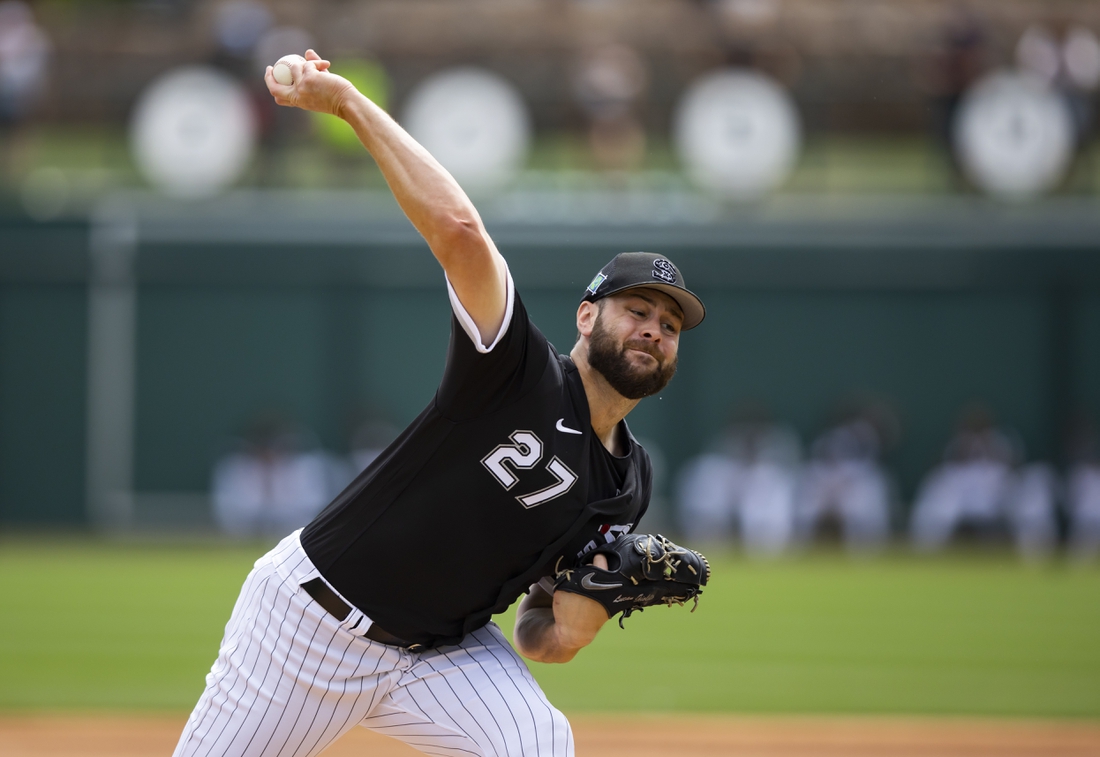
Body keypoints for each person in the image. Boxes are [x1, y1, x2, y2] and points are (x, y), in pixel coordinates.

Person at [173, 49, 705, 757]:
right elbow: (458, 230)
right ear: (586, 317)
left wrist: (587, 612)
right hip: (312, 625)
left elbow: (537, 636)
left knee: (540, 744)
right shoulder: (514, 369)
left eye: (669, 326)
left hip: (441, 653)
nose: (653, 330)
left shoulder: (627, 481)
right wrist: (350, 105)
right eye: (637, 309)